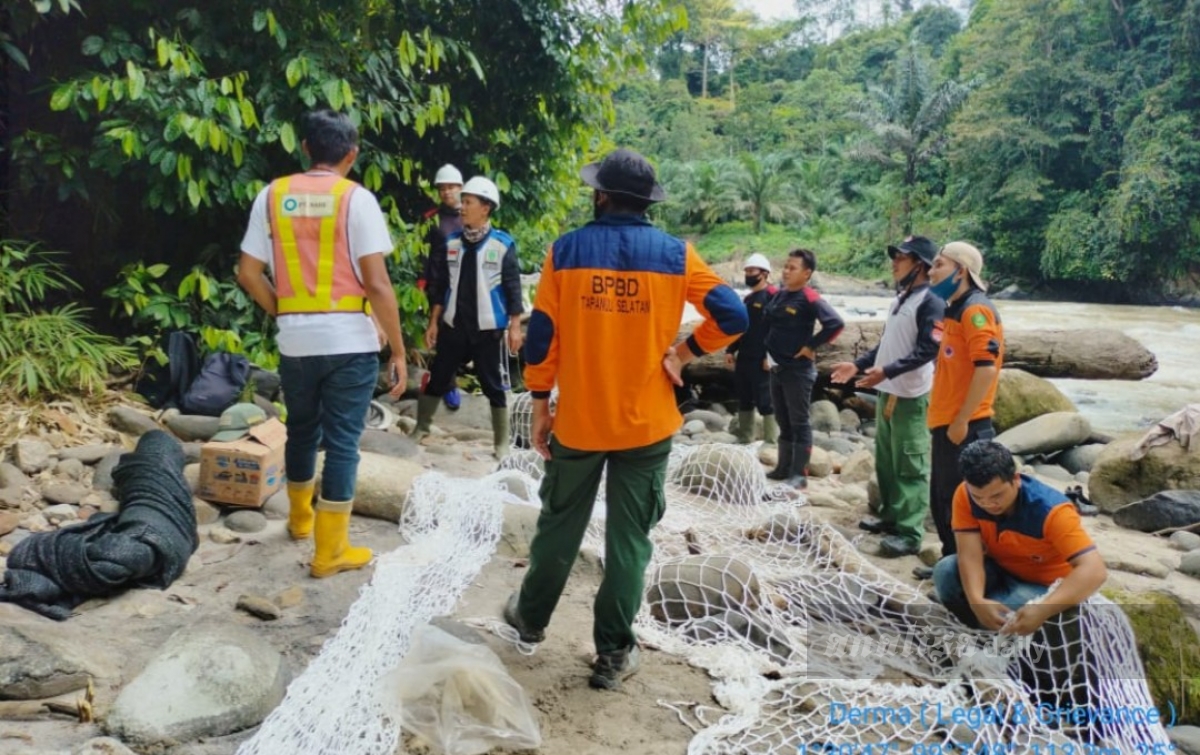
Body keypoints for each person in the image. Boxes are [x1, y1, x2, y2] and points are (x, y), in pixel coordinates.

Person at [504, 148, 747, 691]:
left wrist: (540, 405)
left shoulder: (564, 252)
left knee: (558, 528)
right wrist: (684, 354)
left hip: (580, 424)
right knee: (629, 542)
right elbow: (734, 314)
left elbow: (542, 338)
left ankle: (530, 622)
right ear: (646, 203)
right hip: (647, 426)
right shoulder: (676, 255)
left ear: (602, 194)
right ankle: (613, 653)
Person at [236, 108, 407, 578]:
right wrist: (397, 349)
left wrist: (286, 311)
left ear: (306, 147)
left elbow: (248, 274)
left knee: (302, 430)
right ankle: (330, 552)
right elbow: (377, 284)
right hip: (349, 340)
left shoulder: (272, 196)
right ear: (351, 155)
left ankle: (299, 522)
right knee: (343, 444)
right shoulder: (357, 200)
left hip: (296, 341)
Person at [830, 236, 944, 557]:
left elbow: (928, 349)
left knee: (910, 464)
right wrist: (858, 365)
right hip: (888, 393)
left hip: (911, 395)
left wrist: (887, 371)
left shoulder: (931, 301)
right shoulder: (901, 299)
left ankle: (909, 533)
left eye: (902, 257)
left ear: (919, 264)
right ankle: (891, 517)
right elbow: (887, 345)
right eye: (894, 256)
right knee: (887, 462)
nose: (894, 261)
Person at [933, 440, 1107, 635]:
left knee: (1003, 618)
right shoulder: (965, 494)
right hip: (1001, 569)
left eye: (997, 495)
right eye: (979, 498)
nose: (988, 504)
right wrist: (976, 601)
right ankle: (969, 623)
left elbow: (1095, 570)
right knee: (945, 571)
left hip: (1045, 584)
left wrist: (1043, 609)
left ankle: (979, 631)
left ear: (1015, 479)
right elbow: (969, 554)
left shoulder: (1052, 511)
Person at [413, 176, 524, 458]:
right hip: (453, 326)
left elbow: (513, 287)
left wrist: (514, 327)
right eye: (462, 202)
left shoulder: (502, 245)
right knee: (438, 377)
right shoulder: (451, 243)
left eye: (468, 202)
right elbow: (440, 287)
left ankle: (501, 444)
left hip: (488, 329)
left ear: (485, 208)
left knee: (492, 384)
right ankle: (421, 427)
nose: (462, 207)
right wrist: (433, 322)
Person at [922, 241, 1004, 576]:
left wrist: (962, 420)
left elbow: (987, 368)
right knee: (943, 499)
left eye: (938, 264)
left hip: (965, 426)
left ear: (961, 271)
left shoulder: (976, 310)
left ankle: (966, 575)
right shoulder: (952, 308)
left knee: (966, 505)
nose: (931, 271)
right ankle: (949, 564)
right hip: (946, 422)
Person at [762, 249, 844, 489]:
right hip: (777, 368)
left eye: (792, 268)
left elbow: (835, 323)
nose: (786, 271)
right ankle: (783, 467)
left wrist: (811, 345)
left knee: (799, 421)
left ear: (807, 273)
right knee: (782, 419)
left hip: (798, 370)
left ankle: (799, 474)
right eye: (785, 266)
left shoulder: (809, 297)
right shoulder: (780, 295)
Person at [419, 164, 464, 411]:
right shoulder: (432, 218)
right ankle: (449, 384)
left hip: (466, 284)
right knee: (443, 334)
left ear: (460, 188)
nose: (447, 192)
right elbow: (423, 256)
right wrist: (421, 283)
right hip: (439, 284)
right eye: (442, 188)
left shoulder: (471, 214)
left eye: (451, 187)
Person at [725, 253, 778, 445]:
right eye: (746, 271)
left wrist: (770, 356)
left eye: (752, 271)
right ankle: (745, 438)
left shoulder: (773, 297)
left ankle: (772, 442)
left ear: (764, 273)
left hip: (762, 358)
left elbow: (778, 329)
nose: (748, 274)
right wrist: (730, 350)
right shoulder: (747, 299)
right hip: (745, 355)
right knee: (744, 397)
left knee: (766, 400)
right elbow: (741, 328)